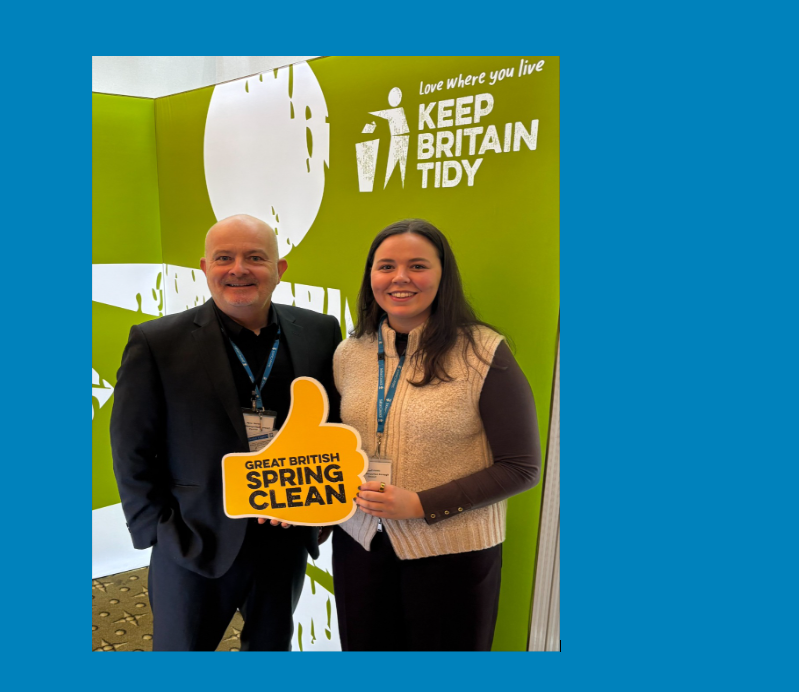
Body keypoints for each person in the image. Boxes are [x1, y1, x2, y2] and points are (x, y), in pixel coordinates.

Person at [110, 214, 341, 651]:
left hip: (284, 538)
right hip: (194, 538)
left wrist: (323, 506)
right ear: (205, 268)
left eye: (255, 257)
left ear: (279, 269)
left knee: (270, 648)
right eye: (224, 258)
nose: (239, 269)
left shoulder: (319, 331)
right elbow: (131, 446)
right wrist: (156, 531)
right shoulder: (157, 341)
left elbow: (331, 422)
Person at [331, 218, 542, 651]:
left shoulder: (483, 352)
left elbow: (521, 468)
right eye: (385, 265)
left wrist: (422, 504)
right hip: (361, 546)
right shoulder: (349, 353)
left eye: (418, 266)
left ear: (443, 276)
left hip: (452, 555)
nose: (400, 278)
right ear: (371, 275)